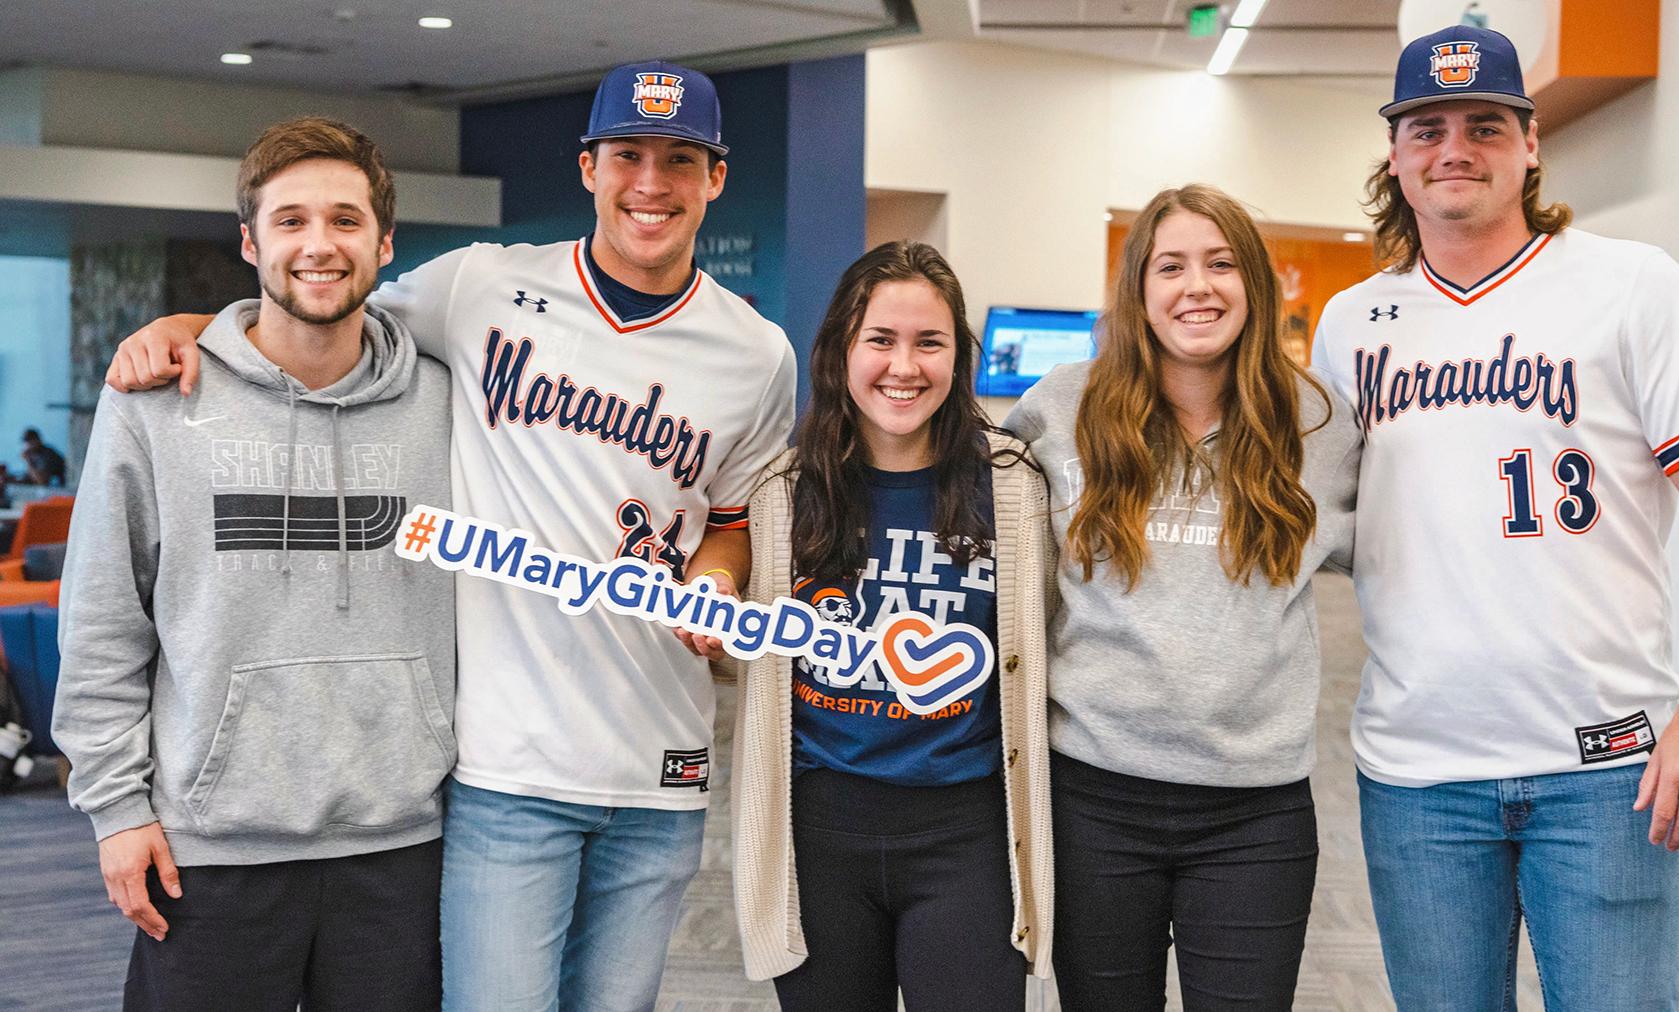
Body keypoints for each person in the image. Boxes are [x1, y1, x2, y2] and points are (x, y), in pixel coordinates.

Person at [105, 61, 797, 1010]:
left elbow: (732, 518)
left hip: (659, 759)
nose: (651, 183)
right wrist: (192, 325)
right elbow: (313, 308)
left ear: (714, 178)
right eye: (628, 155)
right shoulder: (479, 287)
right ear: (588, 166)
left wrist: (720, 579)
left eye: (681, 160)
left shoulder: (757, 353)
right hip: (499, 768)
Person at [1310, 25, 1679, 1011]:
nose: (1453, 149)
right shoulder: (1351, 323)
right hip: (1417, 766)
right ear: (1394, 157)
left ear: (1530, 144)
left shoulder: (1632, 286)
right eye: (1426, 128)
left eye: (1484, 125)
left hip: (1606, 769)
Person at [53, 117, 452, 1011]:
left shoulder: (446, 401)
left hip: (401, 845)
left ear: (385, 244)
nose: (320, 245)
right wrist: (115, 812)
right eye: (291, 221)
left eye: (346, 221)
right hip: (210, 849)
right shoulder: (155, 404)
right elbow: (104, 621)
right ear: (250, 242)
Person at [1005, 184, 1360, 1010]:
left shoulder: (1322, 424)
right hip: (1093, 795)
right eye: (1171, 266)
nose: (1196, 286)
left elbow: (1400, 561)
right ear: (1138, 291)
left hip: (1255, 812)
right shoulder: (1061, 407)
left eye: (1221, 264)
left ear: (1256, 288)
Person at [720, 241, 1052, 1010]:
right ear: (842, 349)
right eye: (881, 340)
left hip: (966, 831)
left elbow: (1046, 643)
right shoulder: (784, 491)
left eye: (929, 342)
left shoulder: (1010, 485)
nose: (904, 365)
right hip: (820, 831)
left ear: (957, 356)